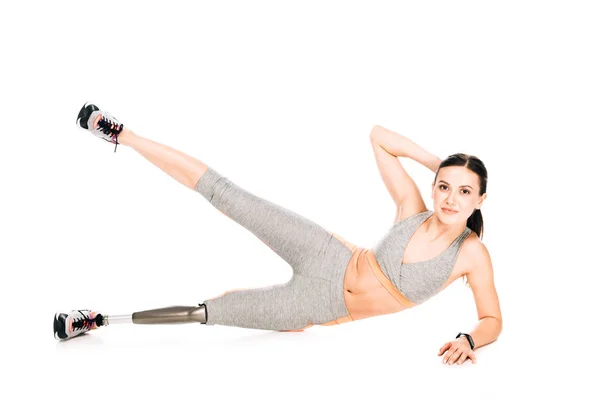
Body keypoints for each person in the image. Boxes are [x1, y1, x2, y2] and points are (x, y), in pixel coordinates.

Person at [56, 103, 502, 365]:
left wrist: (468, 340)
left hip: (319, 305)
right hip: (326, 254)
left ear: (480, 199)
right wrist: (438, 162)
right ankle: (123, 134)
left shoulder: (471, 255)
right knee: (226, 194)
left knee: (210, 312)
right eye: (445, 186)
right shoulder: (413, 208)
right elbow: (378, 136)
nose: (450, 198)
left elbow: (492, 321)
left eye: (464, 191)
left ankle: (98, 320)